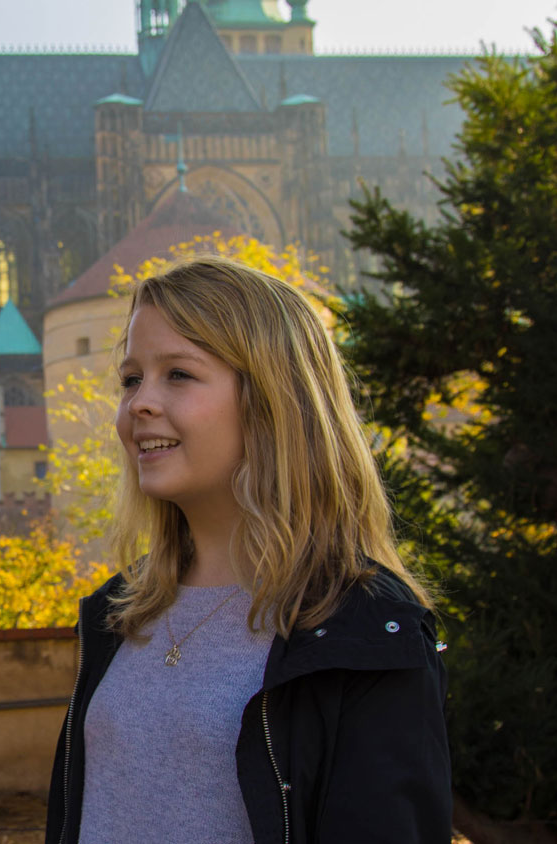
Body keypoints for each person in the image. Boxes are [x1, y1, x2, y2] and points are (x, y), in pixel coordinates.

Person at [44, 256, 451, 843]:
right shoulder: (118, 612)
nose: (139, 404)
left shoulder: (365, 631)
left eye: (178, 374)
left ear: (271, 401)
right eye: (131, 379)